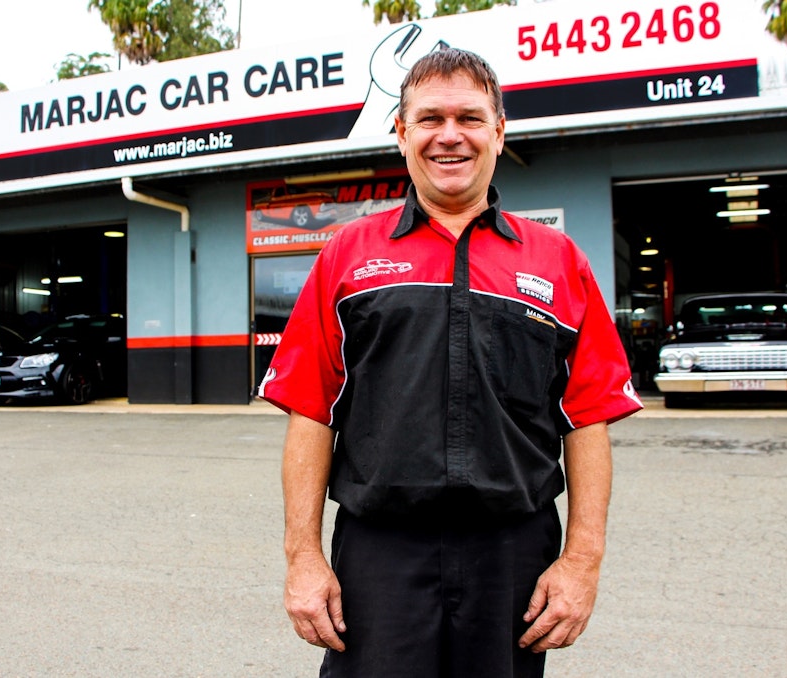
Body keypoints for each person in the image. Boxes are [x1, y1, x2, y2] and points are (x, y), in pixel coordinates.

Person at [258, 47, 643, 677]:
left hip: (512, 553)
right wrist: (303, 557)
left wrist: (581, 562)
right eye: (430, 118)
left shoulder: (558, 260)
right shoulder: (347, 256)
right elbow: (310, 410)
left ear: (498, 131)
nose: (450, 136)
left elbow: (589, 418)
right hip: (379, 552)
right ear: (402, 134)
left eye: (469, 117)